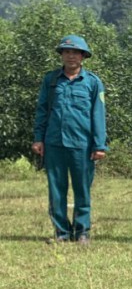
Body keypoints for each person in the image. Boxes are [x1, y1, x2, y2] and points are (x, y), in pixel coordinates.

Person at [31, 35, 108, 245]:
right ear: (62, 55)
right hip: (54, 144)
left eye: (75, 52)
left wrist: (99, 145)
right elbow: (42, 111)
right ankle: (61, 233)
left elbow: (98, 115)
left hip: (82, 145)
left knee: (82, 189)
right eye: (66, 52)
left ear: (83, 56)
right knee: (56, 190)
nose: (71, 56)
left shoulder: (93, 82)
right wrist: (39, 138)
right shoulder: (51, 80)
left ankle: (82, 232)